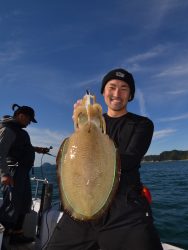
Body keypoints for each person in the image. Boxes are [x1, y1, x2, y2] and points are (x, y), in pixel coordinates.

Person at [46, 68, 163, 250]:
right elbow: (74, 160)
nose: (117, 93)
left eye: (124, 88)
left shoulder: (142, 124)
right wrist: (81, 126)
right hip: (81, 206)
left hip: (124, 209)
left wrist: (90, 138)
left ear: (130, 95)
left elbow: (131, 159)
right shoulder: (91, 124)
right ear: (103, 92)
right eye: (112, 87)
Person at [0, 104, 49, 246]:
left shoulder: (18, 131)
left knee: (24, 203)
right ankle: (4, 238)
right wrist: (4, 174)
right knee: (12, 204)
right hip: (13, 172)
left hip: (22, 172)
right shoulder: (8, 130)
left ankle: (16, 234)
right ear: (21, 116)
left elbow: (20, 147)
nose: (29, 123)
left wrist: (37, 149)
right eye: (29, 120)